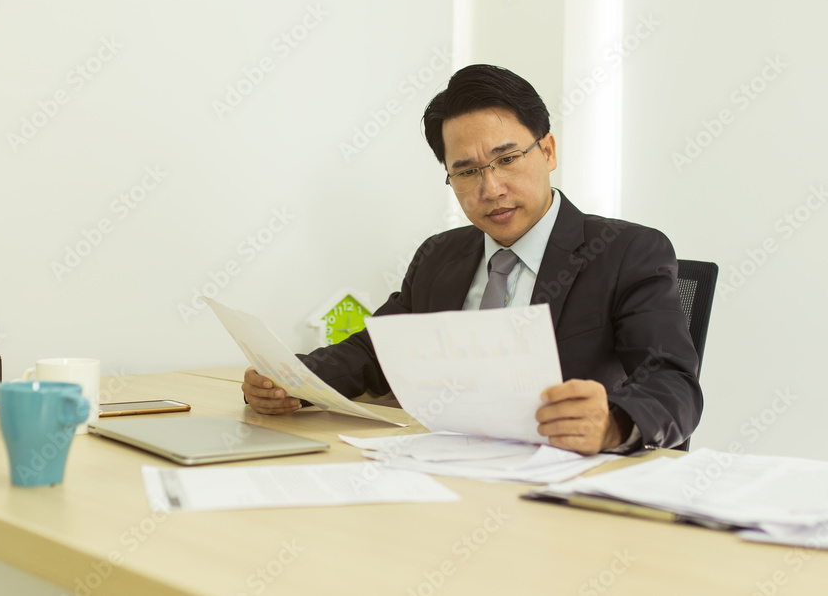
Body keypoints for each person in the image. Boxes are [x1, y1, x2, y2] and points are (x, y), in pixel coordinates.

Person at [242, 65, 702, 455]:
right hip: (446, 471)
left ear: (548, 151)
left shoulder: (628, 252)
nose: (491, 188)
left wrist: (614, 424)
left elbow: (674, 385)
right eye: (465, 171)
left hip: (556, 487)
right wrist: (291, 382)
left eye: (507, 159)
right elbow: (376, 351)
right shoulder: (440, 254)